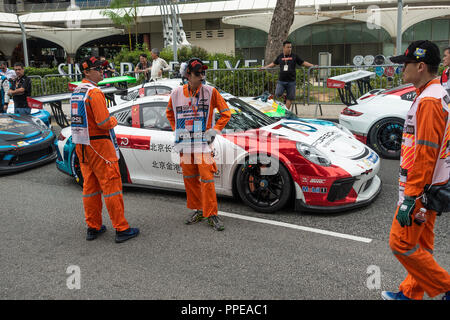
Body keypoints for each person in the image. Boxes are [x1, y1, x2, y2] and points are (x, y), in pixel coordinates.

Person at [381, 40, 450, 301]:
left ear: (420, 66)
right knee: (421, 245)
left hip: (420, 191)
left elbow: (425, 154)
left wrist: (411, 197)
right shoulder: (434, 94)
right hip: (431, 189)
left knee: (400, 243)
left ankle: (446, 286)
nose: (401, 70)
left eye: (405, 64)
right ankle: (411, 294)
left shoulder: (430, 101)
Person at [71, 56, 139, 243]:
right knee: (111, 187)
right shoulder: (94, 93)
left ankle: (93, 226)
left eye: (102, 69)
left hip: (82, 146)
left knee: (90, 188)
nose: (102, 72)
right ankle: (121, 228)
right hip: (100, 146)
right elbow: (103, 122)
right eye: (98, 69)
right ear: (86, 72)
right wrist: (114, 120)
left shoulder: (77, 91)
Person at [166, 58, 231, 231]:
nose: (201, 77)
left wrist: (214, 131)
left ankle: (211, 214)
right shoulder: (176, 93)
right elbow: (169, 114)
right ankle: (199, 210)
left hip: (202, 144)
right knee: (189, 179)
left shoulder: (211, 92)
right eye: (197, 73)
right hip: (184, 145)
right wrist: (177, 130)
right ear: (188, 75)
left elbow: (226, 114)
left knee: (207, 178)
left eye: (203, 73)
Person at [260, 40, 315, 111]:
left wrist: (313, 65)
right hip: (281, 81)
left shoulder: (294, 56)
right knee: (278, 94)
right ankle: (285, 97)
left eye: (290, 47)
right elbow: (273, 63)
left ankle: (285, 113)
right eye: (288, 47)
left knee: (290, 98)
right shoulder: (280, 56)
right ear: (283, 47)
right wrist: (265, 67)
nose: (289, 49)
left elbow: (303, 63)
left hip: (291, 82)